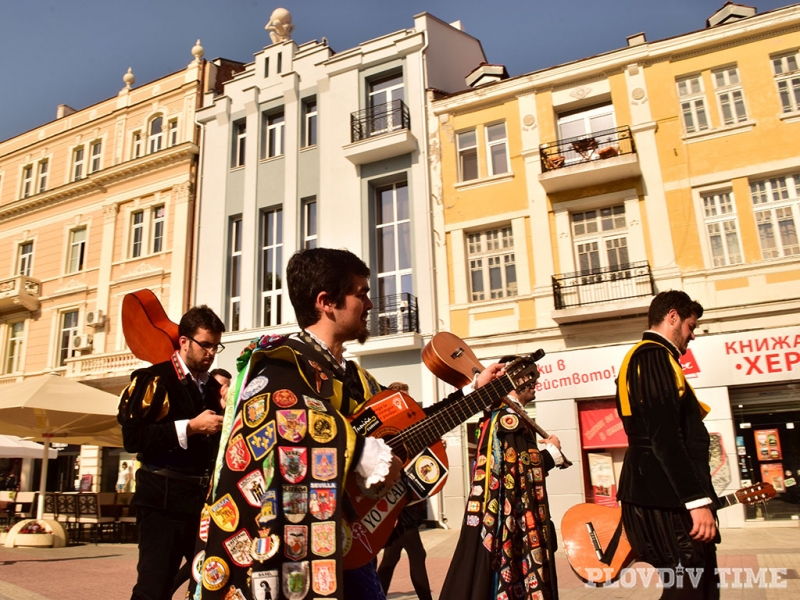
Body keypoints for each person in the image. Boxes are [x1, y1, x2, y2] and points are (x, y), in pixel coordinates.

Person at [192, 248, 502, 600]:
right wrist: (359, 451)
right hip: (293, 556)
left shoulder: (355, 379)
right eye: (361, 293)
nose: (369, 304)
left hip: (348, 543)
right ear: (326, 302)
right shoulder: (279, 366)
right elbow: (282, 420)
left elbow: (412, 425)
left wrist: (475, 392)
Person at [615, 290, 717, 599]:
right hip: (665, 498)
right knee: (689, 589)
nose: (693, 335)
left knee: (696, 588)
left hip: (665, 495)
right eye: (690, 325)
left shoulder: (654, 357)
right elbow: (665, 438)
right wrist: (696, 501)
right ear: (672, 316)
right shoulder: (653, 355)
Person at [118, 305, 225, 600]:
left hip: (200, 504)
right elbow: (133, 438)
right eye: (205, 345)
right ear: (184, 342)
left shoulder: (212, 388)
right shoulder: (154, 378)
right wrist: (189, 427)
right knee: (154, 588)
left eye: (216, 346)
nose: (212, 353)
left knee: (202, 580)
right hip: (161, 502)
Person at [439, 385, 564, 600]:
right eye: (531, 378)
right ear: (518, 382)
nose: (535, 386)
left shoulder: (499, 415)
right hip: (510, 518)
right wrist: (553, 453)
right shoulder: (510, 419)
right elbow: (519, 469)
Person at [377, 382, 433, 600]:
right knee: (417, 553)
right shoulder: (387, 429)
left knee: (391, 558)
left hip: (405, 500)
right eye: (403, 398)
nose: (407, 403)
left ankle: (376, 595)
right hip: (396, 501)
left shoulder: (405, 427)